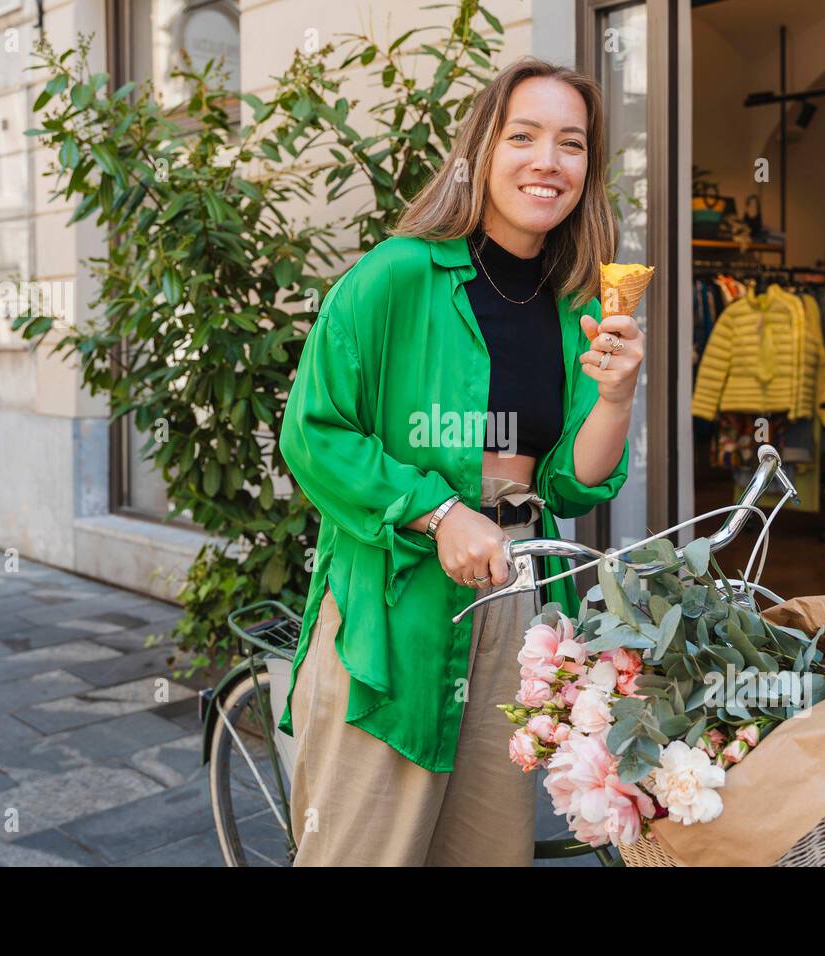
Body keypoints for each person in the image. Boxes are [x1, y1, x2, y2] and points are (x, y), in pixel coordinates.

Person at [275, 56, 645, 866]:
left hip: (515, 603)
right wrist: (438, 511)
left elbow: (569, 484)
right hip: (395, 600)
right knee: (363, 850)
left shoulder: (575, 301)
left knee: (489, 851)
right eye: (525, 136)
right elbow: (313, 435)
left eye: (572, 143)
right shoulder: (396, 276)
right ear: (480, 151)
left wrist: (615, 398)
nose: (548, 161)